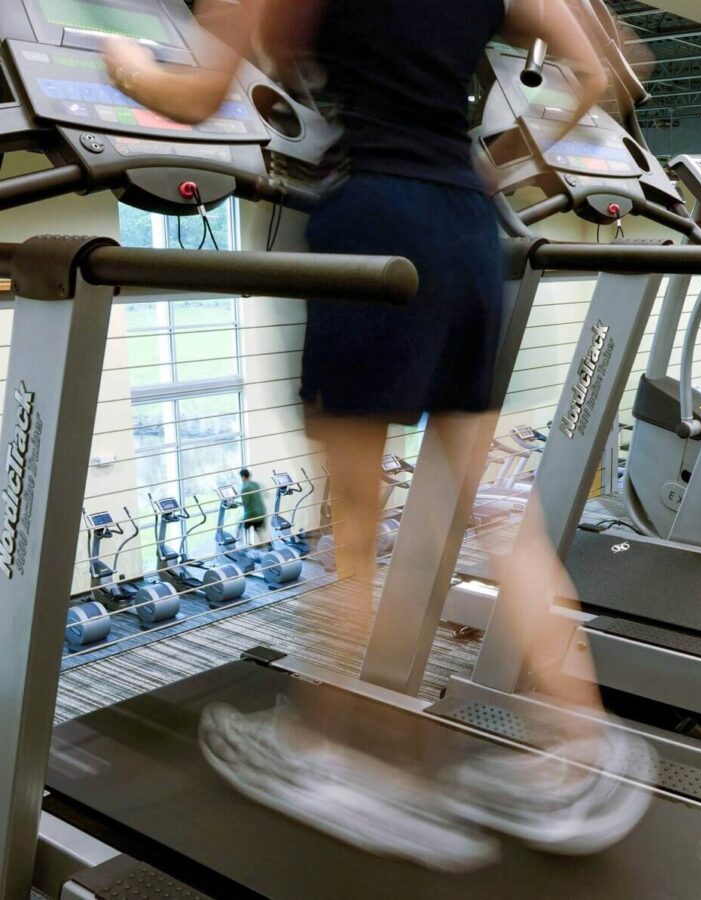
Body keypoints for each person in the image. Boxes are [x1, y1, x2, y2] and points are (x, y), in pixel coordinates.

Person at [106, 0, 650, 871]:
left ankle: (360, 761)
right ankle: (580, 750)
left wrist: (122, 61)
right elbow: (610, 71)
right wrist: (497, 160)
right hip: (465, 228)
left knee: (356, 522)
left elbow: (199, 92)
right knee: (495, 503)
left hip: (376, 221)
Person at [238, 468, 268, 547]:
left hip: (253, 514)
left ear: (243, 477)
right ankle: (264, 545)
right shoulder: (255, 484)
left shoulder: (244, 488)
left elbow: (246, 503)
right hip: (261, 511)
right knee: (258, 529)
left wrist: (238, 504)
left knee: (240, 526)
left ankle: (241, 546)